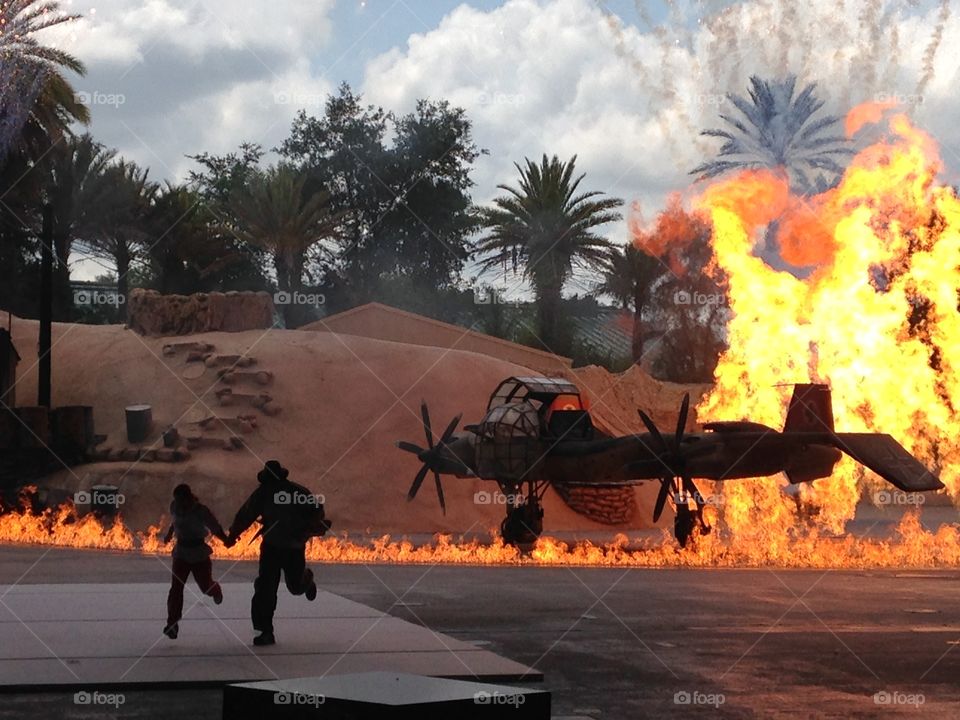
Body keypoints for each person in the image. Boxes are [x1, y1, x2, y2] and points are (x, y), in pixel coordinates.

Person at [227, 460, 320, 646]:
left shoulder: (297, 493)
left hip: (293, 547)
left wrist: (307, 529)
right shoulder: (264, 493)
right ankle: (265, 631)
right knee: (265, 590)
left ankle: (306, 580)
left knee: (295, 587)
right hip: (272, 547)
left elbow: (316, 511)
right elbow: (247, 513)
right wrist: (234, 533)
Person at [163, 483, 230, 639]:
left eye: (181, 500)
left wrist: (225, 540)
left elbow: (215, 527)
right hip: (181, 553)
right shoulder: (174, 506)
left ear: (188, 497)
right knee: (176, 589)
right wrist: (169, 535)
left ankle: (216, 590)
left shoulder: (201, 511)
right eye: (177, 500)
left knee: (205, 587)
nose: (179, 503)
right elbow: (174, 522)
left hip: (199, 553)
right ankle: (172, 624)